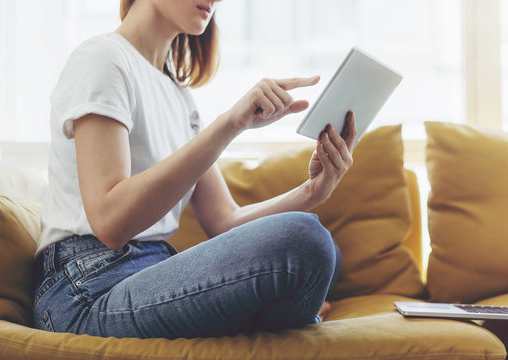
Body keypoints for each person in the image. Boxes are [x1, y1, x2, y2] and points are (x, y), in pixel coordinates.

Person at [32, 0, 357, 339]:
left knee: (323, 249)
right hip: (88, 287)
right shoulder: (103, 58)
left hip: (149, 268)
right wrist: (231, 124)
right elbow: (109, 222)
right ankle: (275, 312)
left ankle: (268, 310)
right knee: (305, 243)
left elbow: (225, 221)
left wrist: (311, 192)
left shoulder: (180, 97)